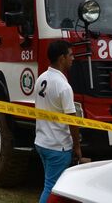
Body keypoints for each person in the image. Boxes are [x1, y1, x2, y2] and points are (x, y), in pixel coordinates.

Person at [35, 40, 81, 203]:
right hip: (58, 147)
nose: (73, 58)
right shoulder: (64, 86)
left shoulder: (41, 78)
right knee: (52, 188)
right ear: (62, 58)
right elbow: (72, 120)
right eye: (70, 55)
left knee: (49, 183)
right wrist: (77, 146)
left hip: (42, 142)